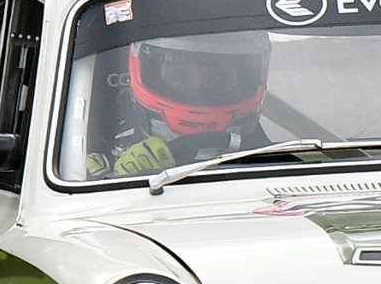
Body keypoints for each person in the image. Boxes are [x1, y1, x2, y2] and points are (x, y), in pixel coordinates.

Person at [91, 31, 273, 177]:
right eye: (181, 74)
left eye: (218, 79)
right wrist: (117, 180)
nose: (198, 92)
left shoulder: (283, 163)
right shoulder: (96, 160)